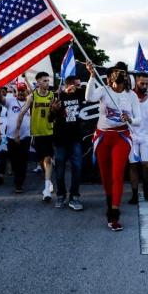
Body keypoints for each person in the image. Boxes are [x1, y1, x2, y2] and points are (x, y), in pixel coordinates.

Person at [85, 61, 140, 231]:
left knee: (117, 173)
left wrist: (130, 119)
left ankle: (114, 213)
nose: (116, 87)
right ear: (109, 80)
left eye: (120, 84)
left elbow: (138, 120)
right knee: (105, 174)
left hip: (122, 136)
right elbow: (88, 98)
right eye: (114, 83)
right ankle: (110, 201)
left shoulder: (131, 95)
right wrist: (92, 76)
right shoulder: (104, 90)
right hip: (103, 136)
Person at [50, 75, 86, 210]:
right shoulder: (58, 97)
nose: (79, 87)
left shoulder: (81, 94)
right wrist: (53, 110)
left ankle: (74, 197)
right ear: (68, 85)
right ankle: (60, 195)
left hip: (76, 139)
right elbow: (49, 118)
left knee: (77, 168)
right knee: (59, 170)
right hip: (60, 141)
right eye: (76, 85)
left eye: (79, 85)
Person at [18, 72, 55, 201]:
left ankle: (46, 189)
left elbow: (56, 114)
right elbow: (22, 113)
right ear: (38, 82)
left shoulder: (52, 96)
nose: (47, 83)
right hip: (37, 133)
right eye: (44, 81)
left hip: (49, 132)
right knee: (41, 160)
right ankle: (48, 180)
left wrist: (55, 110)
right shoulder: (33, 96)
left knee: (48, 159)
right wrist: (17, 131)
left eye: (48, 80)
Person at [127, 73, 148, 205]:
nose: (145, 86)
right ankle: (135, 194)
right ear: (136, 82)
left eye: (147, 83)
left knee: (147, 165)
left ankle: (145, 184)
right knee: (133, 165)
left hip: (146, 135)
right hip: (132, 135)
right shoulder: (129, 96)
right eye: (142, 83)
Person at [3, 82, 32, 193]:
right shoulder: (11, 101)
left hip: (26, 137)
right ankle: (17, 178)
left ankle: (19, 183)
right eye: (19, 90)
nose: (20, 92)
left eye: (22, 90)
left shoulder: (30, 103)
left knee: (23, 160)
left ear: (26, 91)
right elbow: (0, 99)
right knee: (14, 160)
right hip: (11, 137)